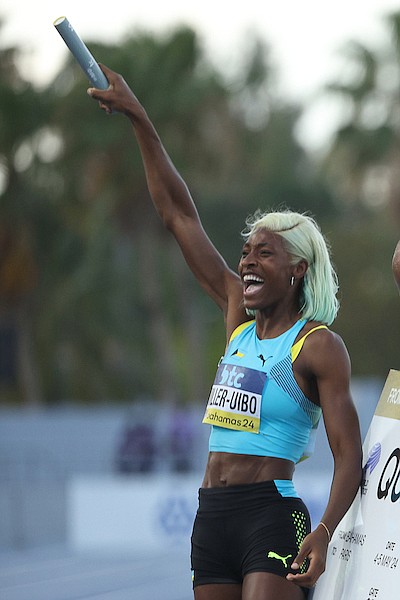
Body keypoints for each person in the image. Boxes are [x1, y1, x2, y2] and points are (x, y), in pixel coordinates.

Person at [87, 65, 363, 600]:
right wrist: (139, 117)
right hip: (211, 517)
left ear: (298, 269)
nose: (248, 262)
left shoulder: (318, 346)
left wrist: (325, 532)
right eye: (245, 251)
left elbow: (347, 454)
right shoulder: (237, 315)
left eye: (265, 252)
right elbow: (178, 215)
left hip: (273, 516)